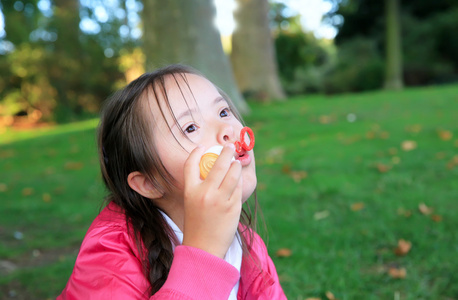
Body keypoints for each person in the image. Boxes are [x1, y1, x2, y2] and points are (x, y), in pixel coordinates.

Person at [58, 64, 286, 299]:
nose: (227, 129)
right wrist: (204, 253)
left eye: (223, 112)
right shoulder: (110, 253)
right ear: (150, 182)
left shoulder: (250, 246)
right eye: (190, 127)